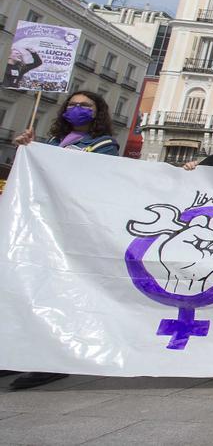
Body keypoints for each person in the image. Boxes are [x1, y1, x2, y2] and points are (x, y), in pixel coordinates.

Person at [6, 90, 119, 388]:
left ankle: (49, 358)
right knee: (27, 286)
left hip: (71, 229)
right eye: (73, 105)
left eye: (85, 105)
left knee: (57, 292)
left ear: (98, 112)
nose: (78, 109)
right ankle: (14, 351)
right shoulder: (52, 143)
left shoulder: (104, 145)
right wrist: (27, 148)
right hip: (41, 226)